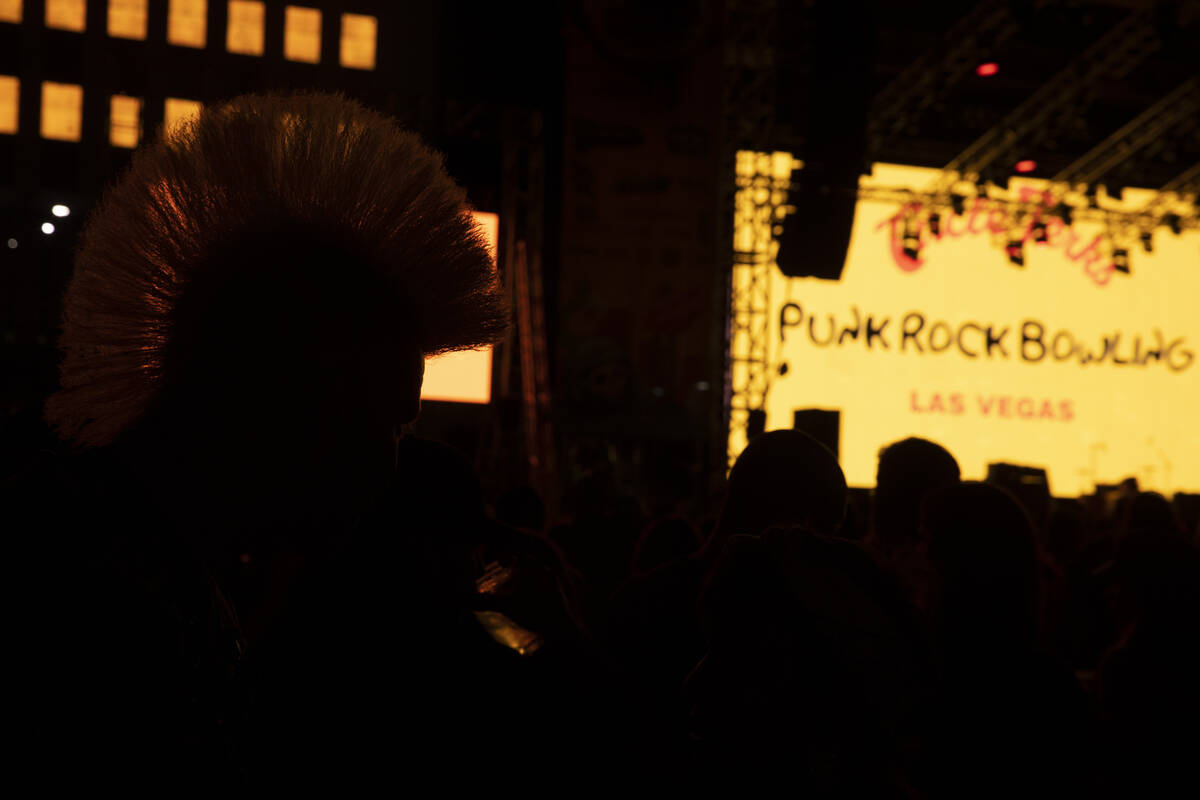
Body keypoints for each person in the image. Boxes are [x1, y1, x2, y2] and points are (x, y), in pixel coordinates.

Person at [22, 91, 508, 784]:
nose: (390, 463)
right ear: (287, 400)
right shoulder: (98, 607)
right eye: (386, 422)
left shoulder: (119, 550)